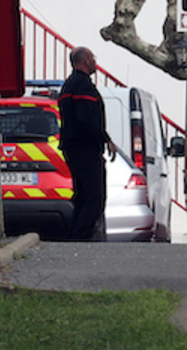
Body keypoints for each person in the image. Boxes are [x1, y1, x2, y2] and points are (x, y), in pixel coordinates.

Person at [58, 47, 116, 241]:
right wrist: (104, 139)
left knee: (82, 194)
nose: (95, 62)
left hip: (72, 147)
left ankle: (76, 235)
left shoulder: (68, 86)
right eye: (92, 58)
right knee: (94, 197)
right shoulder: (83, 87)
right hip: (85, 148)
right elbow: (87, 119)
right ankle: (80, 236)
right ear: (85, 60)